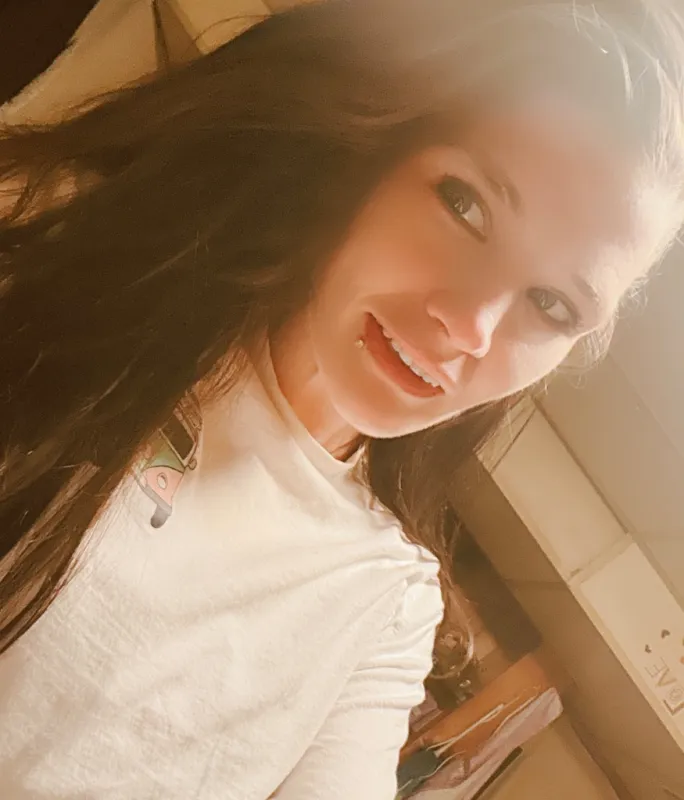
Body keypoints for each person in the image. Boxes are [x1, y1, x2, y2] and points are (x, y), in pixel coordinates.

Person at [0, 0, 683, 797]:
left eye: (552, 305)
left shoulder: (384, 609)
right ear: (375, 140)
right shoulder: (65, 247)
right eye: (465, 203)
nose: (470, 325)